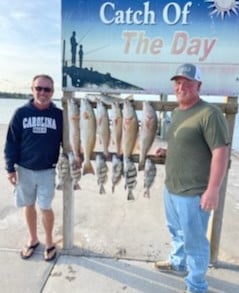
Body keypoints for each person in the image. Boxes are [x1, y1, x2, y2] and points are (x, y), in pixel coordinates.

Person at [154, 63, 230, 293]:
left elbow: (221, 152)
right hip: (172, 188)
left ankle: (196, 285)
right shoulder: (177, 112)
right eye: (178, 82)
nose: (181, 86)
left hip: (194, 193)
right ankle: (178, 262)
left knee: (195, 242)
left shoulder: (210, 113)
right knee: (176, 231)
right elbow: (189, 144)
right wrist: (168, 152)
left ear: (199, 85)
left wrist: (213, 190)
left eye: (187, 82)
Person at [4, 74, 63, 261]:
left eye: (47, 89)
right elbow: (11, 142)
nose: (42, 92)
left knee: (45, 206)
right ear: (32, 90)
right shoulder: (21, 113)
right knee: (28, 205)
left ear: (53, 92)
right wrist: (9, 168)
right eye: (39, 88)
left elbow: (68, 142)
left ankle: (49, 241)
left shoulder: (59, 115)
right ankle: (33, 239)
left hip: (47, 170)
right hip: (24, 169)